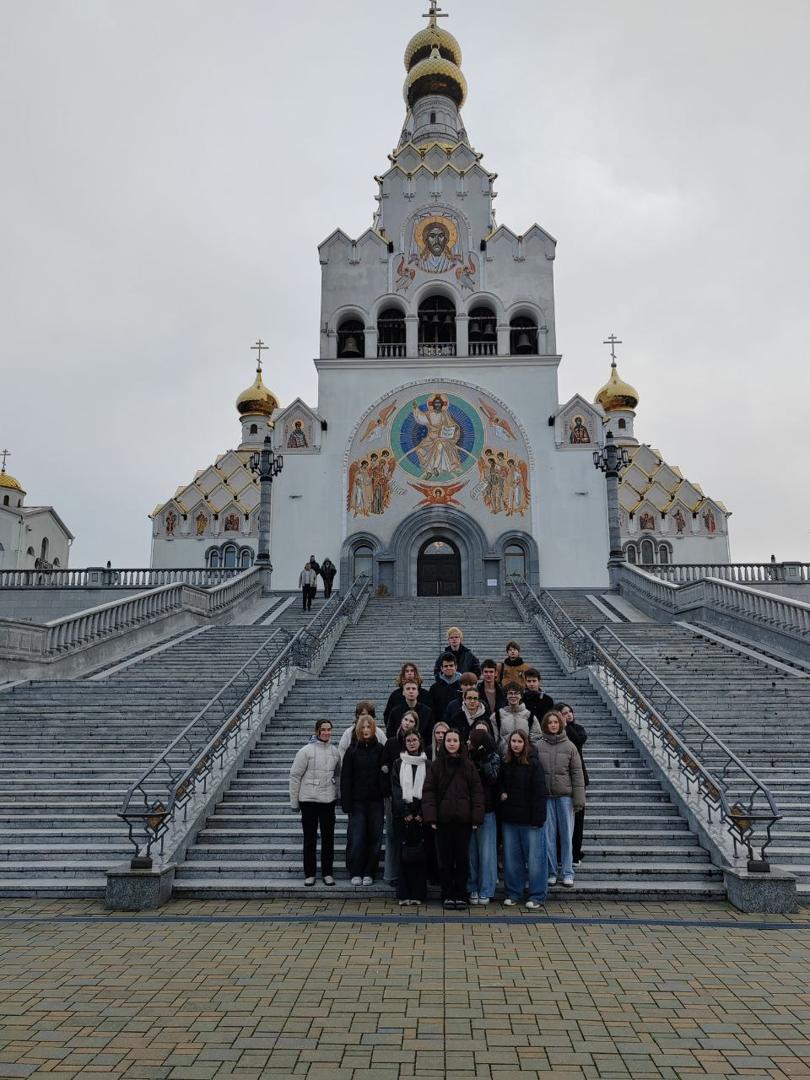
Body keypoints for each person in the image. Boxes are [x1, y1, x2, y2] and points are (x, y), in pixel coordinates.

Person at [422, 729, 484, 909]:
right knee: (445, 860)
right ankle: (448, 894)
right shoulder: (436, 766)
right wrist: (431, 817)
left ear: (460, 743)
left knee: (462, 859)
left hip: (463, 821)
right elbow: (429, 792)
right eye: (448, 740)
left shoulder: (468, 765)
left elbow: (477, 792)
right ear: (443, 743)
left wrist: (476, 817)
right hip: (443, 820)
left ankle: (461, 894)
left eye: (455, 740)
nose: (451, 743)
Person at [498, 730, 549, 908]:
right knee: (512, 860)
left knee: (535, 860)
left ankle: (537, 895)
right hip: (510, 820)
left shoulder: (534, 764)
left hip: (530, 821)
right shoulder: (506, 763)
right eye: (513, 741)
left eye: (519, 741)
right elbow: (500, 784)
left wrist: (538, 820)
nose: (516, 744)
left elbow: (540, 793)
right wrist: (502, 792)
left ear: (525, 743)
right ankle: (514, 893)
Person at [537, 709, 586, 888]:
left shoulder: (570, 746)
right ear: (545, 725)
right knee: (548, 837)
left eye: (556, 722)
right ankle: (551, 872)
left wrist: (579, 799)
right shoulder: (538, 745)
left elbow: (577, 774)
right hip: (547, 797)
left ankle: (567, 872)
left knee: (566, 836)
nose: (553, 725)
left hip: (565, 797)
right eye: (550, 722)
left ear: (560, 724)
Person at [289, 719, 341, 887]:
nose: (326, 732)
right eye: (323, 729)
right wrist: (294, 802)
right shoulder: (305, 751)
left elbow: (338, 775)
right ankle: (309, 873)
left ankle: (327, 873)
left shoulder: (335, 752)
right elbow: (295, 776)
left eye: (329, 729)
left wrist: (338, 795)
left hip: (328, 801)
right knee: (310, 839)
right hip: (309, 801)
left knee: (328, 839)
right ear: (317, 731)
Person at [340, 715, 386, 886]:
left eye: (369, 727)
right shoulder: (352, 751)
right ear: (358, 730)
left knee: (375, 837)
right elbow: (346, 778)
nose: (366, 730)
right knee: (357, 838)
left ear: (373, 729)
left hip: (375, 801)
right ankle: (356, 871)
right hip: (357, 802)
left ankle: (370, 872)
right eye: (363, 727)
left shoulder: (380, 749)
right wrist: (346, 803)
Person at [381, 710, 421, 884]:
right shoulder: (391, 744)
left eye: (411, 721)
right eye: (405, 719)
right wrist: (391, 796)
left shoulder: (421, 753)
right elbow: (385, 772)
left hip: (415, 802)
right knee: (393, 837)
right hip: (395, 799)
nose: (407, 722)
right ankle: (393, 875)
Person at [391, 730, 428, 906]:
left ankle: (418, 894)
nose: (412, 743)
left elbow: (429, 789)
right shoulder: (398, 763)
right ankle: (404, 894)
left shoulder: (427, 763)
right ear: (404, 742)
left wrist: (421, 813)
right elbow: (396, 789)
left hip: (421, 816)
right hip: (402, 816)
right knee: (403, 855)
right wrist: (405, 812)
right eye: (408, 740)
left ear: (420, 741)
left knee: (420, 856)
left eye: (414, 740)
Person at [466, 724, 501, 905]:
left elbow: (493, 779)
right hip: (468, 810)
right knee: (470, 852)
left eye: (472, 740)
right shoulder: (466, 757)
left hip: (487, 810)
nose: (468, 743)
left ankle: (486, 889)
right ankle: (472, 887)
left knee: (487, 853)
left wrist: (483, 758)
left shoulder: (492, 757)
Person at [558, 702, 589, 866]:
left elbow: (578, 740)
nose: (568, 715)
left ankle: (575, 853)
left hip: (578, 778)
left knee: (578, 818)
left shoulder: (577, 729)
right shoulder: (555, 730)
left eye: (570, 712)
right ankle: (561, 854)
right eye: (564, 713)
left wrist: (566, 725)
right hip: (561, 780)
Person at [495, 684, 541, 756]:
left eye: (516, 693)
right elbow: (495, 739)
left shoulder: (530, 716)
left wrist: (529, 754)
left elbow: (536, 739)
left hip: (524, 759)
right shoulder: (497, 715)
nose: (513, 696)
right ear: (506, 696)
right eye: (510, 693)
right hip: (504, 758)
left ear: (521, 696)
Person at [383, 663, 431, 727]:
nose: (409, 673)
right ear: (403, 674)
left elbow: (430, 715)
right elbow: (387, 715)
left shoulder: (425, 694)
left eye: (412, 671)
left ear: (415, 673)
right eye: (407, 671)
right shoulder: (395, 695)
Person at [428, 654, 462, 726]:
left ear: (456, 667)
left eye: (451, 665)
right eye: (446, 666)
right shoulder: (434, 688)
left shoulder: (462, 686)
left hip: (459, 725)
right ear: (441, 668)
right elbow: (432, 709)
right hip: (440, 726)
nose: (448, 668)